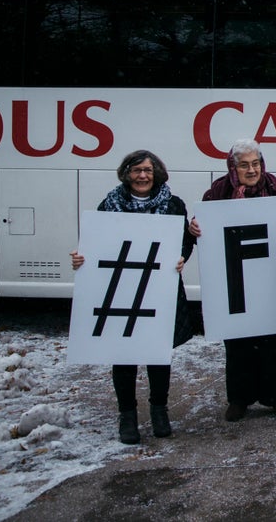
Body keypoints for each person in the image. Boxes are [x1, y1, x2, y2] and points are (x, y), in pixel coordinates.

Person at [70, 150, 196, 445]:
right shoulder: (111, 204)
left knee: (158, 354)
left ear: (157, 173)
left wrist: (181, 257)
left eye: (148, 170)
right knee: (123, 354)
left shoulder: (173, 205)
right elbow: (96, 243)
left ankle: (159, 410)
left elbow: (185, 241)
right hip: (122, 290)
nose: (142, 176)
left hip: (159, 289)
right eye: (137, 170)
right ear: (126, 173)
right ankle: (127, 415)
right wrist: (81, 259)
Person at [195, 139, 276, 422]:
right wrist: (194, 227)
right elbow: (201, 226)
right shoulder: (218, 192)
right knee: (237, 341)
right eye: (244, 165)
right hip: (236, 280)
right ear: (233, 167)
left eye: (255, 163)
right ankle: (239, 399)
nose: (251, 170)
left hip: (272, 278)